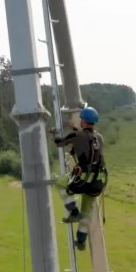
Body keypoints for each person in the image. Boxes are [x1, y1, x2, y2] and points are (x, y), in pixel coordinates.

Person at [52, 106, 107, 251]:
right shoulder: (100, 138)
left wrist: (55, 133)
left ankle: (74, 212)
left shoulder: (77, 136)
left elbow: (59, 143)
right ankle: (81, 241)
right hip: (99, 180)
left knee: (60, 183)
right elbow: (88, 141)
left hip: (84, 178)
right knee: (87, 210)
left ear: (83, 120)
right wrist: (77, 130)